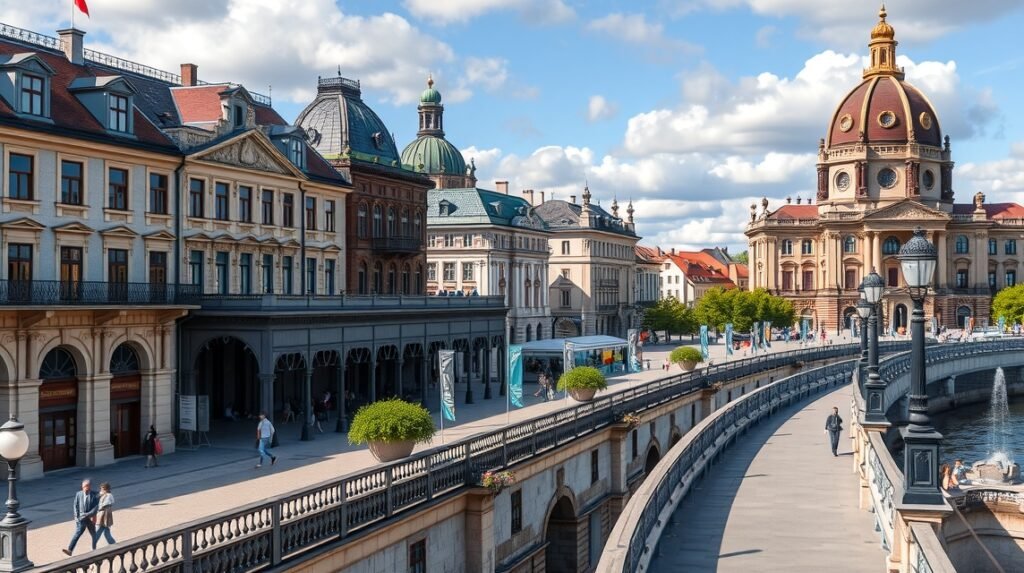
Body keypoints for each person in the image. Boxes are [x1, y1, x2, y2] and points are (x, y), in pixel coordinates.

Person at [62, 479, 98, 556]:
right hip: (81, 519)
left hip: (90, 518)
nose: (86, 488)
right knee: (77, 533)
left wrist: (88, 514)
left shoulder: (94, 495)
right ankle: (70, 550)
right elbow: (75, 505)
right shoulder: (78, 494)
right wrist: (76, 516)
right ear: (82, 487)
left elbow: (96, 507)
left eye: (87, 486)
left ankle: (94, 550)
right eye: (84, 486)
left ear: (90, 487)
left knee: (94, 534)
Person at [92, 482, 116, 549]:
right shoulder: (103, 495)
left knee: (98, 532)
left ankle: (93, 546)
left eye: (103, 489)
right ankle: (114, 545)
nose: (102, 490)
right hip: (102, 515)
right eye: (101, 489)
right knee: (106, 533)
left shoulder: (109, 495)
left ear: (107, 489)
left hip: (104, 516)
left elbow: (105, 504)